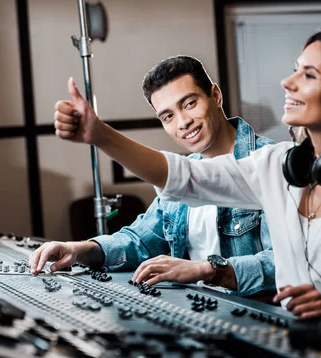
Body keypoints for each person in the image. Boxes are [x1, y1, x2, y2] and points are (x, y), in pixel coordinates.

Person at [51, 31, 321, 328]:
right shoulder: (280, 165)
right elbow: (185, 178)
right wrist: (100, 135)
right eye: (295, 68)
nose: (287, 81)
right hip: (292, 337)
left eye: (308, 74)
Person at [30, 56, 276, 297]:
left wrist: (206, 270)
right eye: (168, 116)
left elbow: (283, 263)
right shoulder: (184, 174)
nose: (183, 123)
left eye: (189, 104)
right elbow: (139, 241)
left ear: (215, 95)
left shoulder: (272, 163)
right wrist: (80, 249)